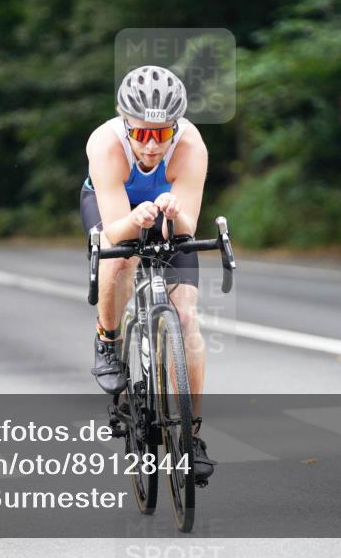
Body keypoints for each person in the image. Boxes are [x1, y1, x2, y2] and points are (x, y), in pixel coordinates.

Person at [80, 65, 216, 482]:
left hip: (165, 213)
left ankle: (191, 437)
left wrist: (172, 216)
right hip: (115, 210)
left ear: (176, 127)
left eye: (162, 133)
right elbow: (115, 231)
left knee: (187, 318)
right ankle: (108, 338)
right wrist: (136, 219)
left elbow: (186, 228)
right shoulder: (105, 144)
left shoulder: (191, 145)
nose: (153, 145)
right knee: (120, 259)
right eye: (141, 133)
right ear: (126, 125)